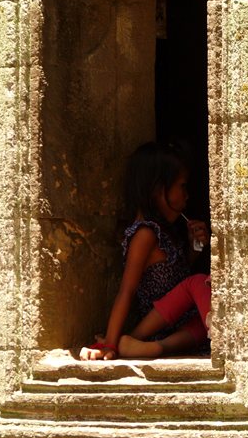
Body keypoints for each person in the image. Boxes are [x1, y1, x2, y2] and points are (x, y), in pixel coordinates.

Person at [80, 142, 210, 361]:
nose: (187, 195)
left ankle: (157, 348)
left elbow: (176, 278)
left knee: (203, 317)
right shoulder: (145, 234)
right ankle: (130, 340)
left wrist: (194, 248)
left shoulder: (165, 231)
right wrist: (110, 343)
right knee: (200, 282)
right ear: (159, 189)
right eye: (182, 186)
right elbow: (127, 290)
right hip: (157, 321)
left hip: (178, 324)